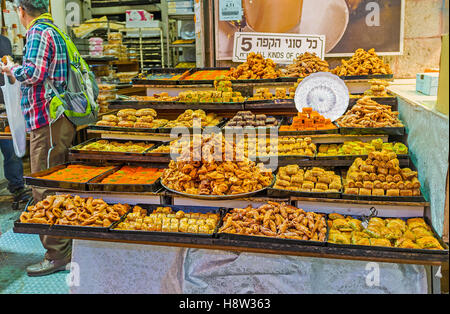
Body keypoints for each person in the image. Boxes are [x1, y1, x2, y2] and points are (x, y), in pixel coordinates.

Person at [0, 0, 75, 277]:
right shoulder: (54, 29)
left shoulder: (36, 32)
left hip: (47, 121)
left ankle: (57, 254)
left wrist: (11, 70)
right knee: (56, 183)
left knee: (44, 187)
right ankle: (66, 246)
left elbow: (34, 73)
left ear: (21, 10)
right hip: (59, 120)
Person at [0, 34, 30, 206]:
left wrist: (11, 74)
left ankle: (17, 187)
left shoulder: (4, 41)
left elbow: (11, 76)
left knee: (11, 149)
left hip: (5, 107)